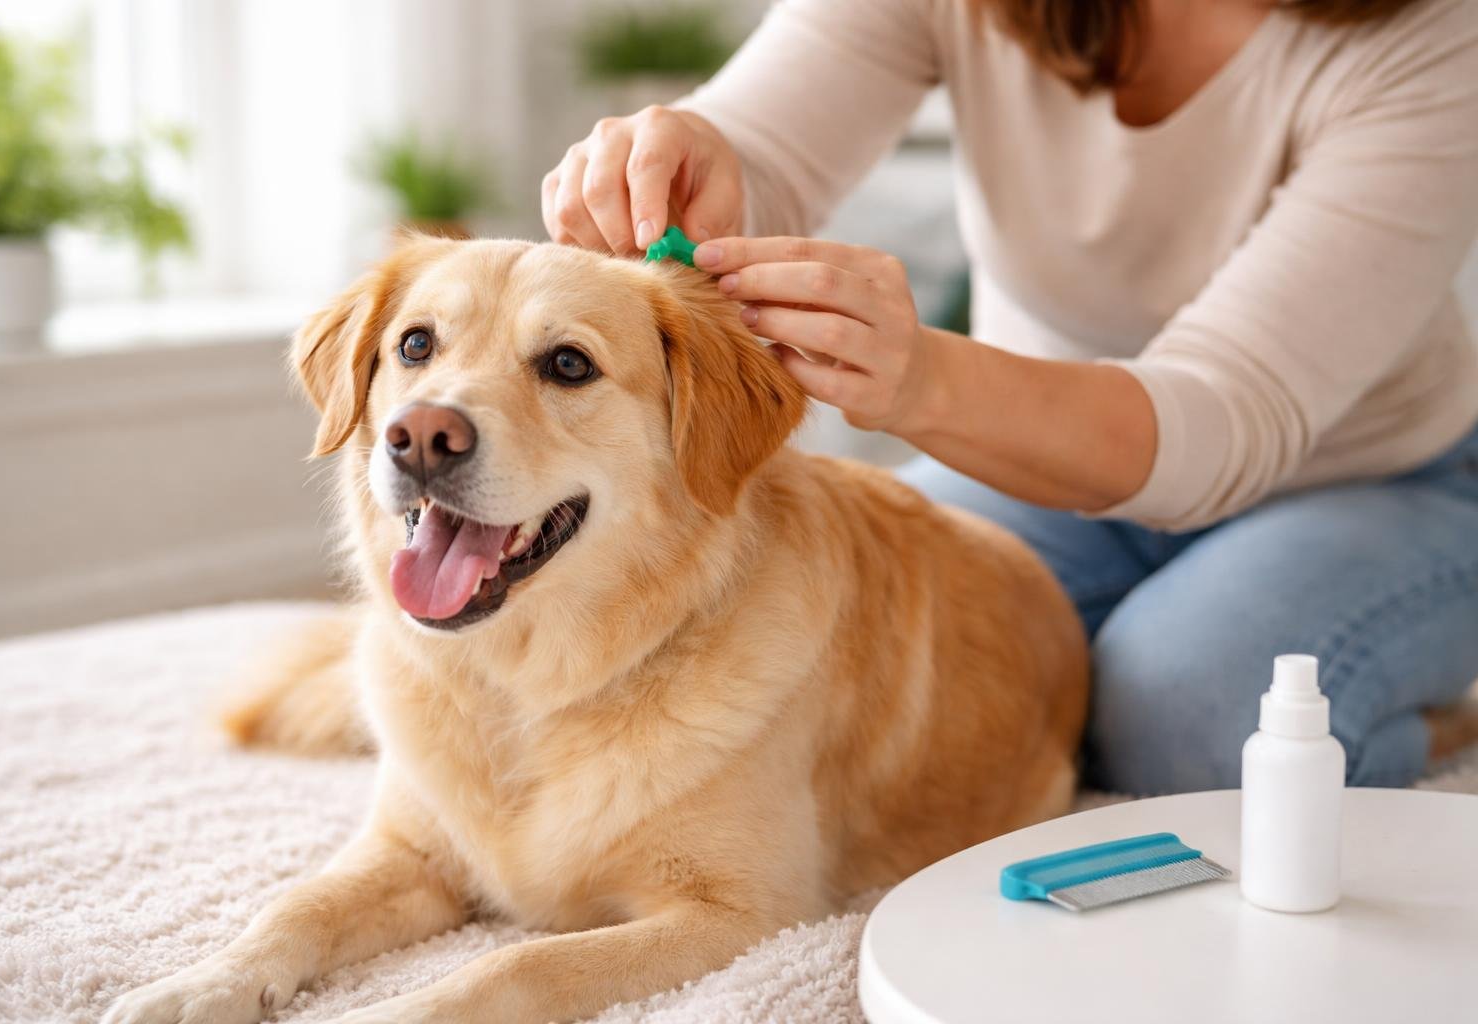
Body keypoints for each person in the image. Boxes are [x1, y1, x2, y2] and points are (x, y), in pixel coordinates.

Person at [540, 0, 1478, 795]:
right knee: (830, 628)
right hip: (1039, 467)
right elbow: (765, 145)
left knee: (1190, 716)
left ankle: (1428, 728)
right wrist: (696, 154)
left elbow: (1223, 418)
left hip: (1372, 482)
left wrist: (923, 381)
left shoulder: (1437, 42)